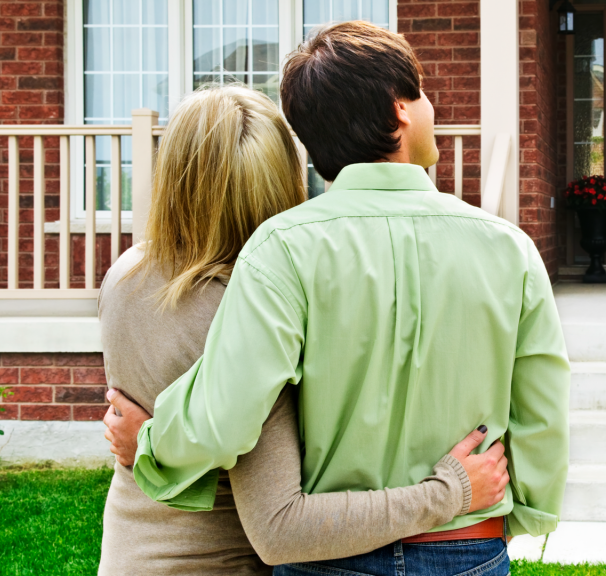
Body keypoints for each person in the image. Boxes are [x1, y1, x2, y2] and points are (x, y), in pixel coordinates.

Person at [110, 21, 571, 576]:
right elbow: (541, 409)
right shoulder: (509, 249)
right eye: (422, 92)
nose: (429, 106)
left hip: (332, 559)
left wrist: (152, 443)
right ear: (401, 111)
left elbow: (224, 417)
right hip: (467, 541)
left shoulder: (281, 249)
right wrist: (523, 513)